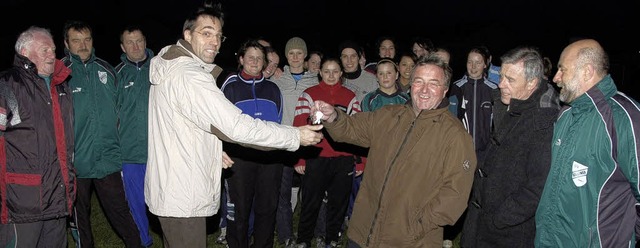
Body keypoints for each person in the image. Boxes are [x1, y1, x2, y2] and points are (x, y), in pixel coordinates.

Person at [145, 4, 323, 247]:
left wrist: (212, 149)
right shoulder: (189, 76)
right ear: (187, 35)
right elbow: (237, 126)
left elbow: (186, 123)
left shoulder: (173, 67)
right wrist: (294, 136)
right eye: (206, 33)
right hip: (183, 194)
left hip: (173, 187)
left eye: (219, 35)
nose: (215, 42)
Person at [311, 55, 477, 247]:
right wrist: (333, 116)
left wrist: (417, 226)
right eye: (419, 81)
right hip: (363, 232)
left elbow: (455, 194)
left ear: (445, 89)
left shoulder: (456, 136)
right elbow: (351, 128)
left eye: (433, 83)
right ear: (410, 84)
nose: (424, 90)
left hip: (409, 241)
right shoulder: (389, 115)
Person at [535, 39, 640, 247]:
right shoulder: (565, 115)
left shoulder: (624, 118)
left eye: (562, 70)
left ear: (587, 72)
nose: (556, 78)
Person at [460, 46, 560, 247]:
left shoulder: (542, 122)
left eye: (510, 80)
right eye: (501, 76)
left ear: (532, 83)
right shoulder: (508, 104)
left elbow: (537, 188)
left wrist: (500, 218)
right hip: (482, 223)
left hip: (507, 233)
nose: (500, 84)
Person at [61, 20, 142, 248]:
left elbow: (119, 111)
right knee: (80, 218)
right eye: (76, 41)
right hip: (77, 163)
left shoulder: (107, 70)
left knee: (120, 212)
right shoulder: (60, 74)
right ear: (66, 44)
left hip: (108, 159)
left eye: (87, 39)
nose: (83, 45)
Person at [0, 26, 75, 248]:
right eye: (45, 50)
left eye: (53, 49)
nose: (53, 55)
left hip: (57, 196)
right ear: (25, 52)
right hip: (23, 201)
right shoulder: (8, 86)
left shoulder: (61, 87)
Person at [220, 39, 285, 248]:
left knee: (267, 208)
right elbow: (220, 124)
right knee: (239, 209)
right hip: (240, 158)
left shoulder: (274, 90)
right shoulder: (230, 88)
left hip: (270, 159)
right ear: (241, 59)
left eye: (259, 58)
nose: (255, 61)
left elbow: (279, 122)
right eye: (250, 57)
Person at [292, 57, 362, 248]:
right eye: (327, 71)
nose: (331, 75)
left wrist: (360, 161)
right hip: (316, 157)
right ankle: (304, 239)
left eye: (335, 71)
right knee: (310, 202)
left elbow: (358, 131)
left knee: (338, 203)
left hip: (343, 159)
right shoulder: (308, 95)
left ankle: (333, 238)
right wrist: (299, 159)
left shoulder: (351, 97)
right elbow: (299, 125)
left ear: (341, 73)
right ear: (320, 72)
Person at [273, 36, 320, 247]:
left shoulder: (315, 81)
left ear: (305, 55)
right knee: (282, 193)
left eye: (299, 53)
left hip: (308, 143)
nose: (295, 57)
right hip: (284, 142)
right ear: (286, 55)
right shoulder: (277, 81)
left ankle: (314, 233)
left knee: (312, 191)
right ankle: (286, 235)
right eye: (291, 53)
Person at [115, 25, 154, 248]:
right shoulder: (116, 74)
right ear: (123, 47)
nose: (136, 46)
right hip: (129, 153)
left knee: (163, 201)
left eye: (139, 40)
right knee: (136, 202)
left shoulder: (160, 68)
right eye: (130, 42)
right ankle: (143, 242)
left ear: (145, 42)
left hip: (160, 150)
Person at [339, 40, 379, 104]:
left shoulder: (371, 79)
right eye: (345, 56)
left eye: (353, 56)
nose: (349, 60)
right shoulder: (335, 79)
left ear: (358, 57)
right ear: (341, 58)